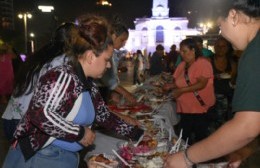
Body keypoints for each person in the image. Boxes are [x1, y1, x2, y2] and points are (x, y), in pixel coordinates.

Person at [3, 15, 144, 168]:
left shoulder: (87, 83)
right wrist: (79, 133)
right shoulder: (63, 76)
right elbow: (39, 113)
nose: (109, 66)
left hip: (60, 158)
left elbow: (104, 115)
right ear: (91, 56)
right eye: (106, 59)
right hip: (39, 158)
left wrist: (138, 134)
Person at [164, 0, 260, 167]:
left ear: (233, 16)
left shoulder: (254, 53)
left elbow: (247, 127)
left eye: (221, 27)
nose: (221, 34)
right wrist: (247, 149)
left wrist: (186, 157)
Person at [1, 22, 77, 142]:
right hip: (26, 123)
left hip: (10, 118)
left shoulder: (41, 56)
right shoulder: (62, 61)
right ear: (73, 41)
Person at [163, 38, 215, 145]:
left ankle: (200, 159)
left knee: (200, 137)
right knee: (185, 137)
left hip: (199, 108)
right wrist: (171, 86)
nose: (181, 54)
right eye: (180, 51)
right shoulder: (183, 65)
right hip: (186, 108)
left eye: (184, 51)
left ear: (193, 50)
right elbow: (182, 82)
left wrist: (181, 91)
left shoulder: (203, 63)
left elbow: (201, 84)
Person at [98, 22, 137, 104]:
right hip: (98, 92)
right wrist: (127, 94)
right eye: (122, 40)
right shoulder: (103, 51)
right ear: (113, 36)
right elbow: (109, 80)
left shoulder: (114, 53)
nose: (124, 44)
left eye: (125, 41)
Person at [209, 36, 237, 129]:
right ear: (214, 47)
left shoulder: (232, 61)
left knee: (230, 121)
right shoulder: (209, 60)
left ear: (228, 48)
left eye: (223, 46)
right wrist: (213, 77)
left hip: (230, 96)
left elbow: (235, 78)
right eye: (218, 46)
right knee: (216, 122)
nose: (220, 49)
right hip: (213, 97)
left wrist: (232, 77)